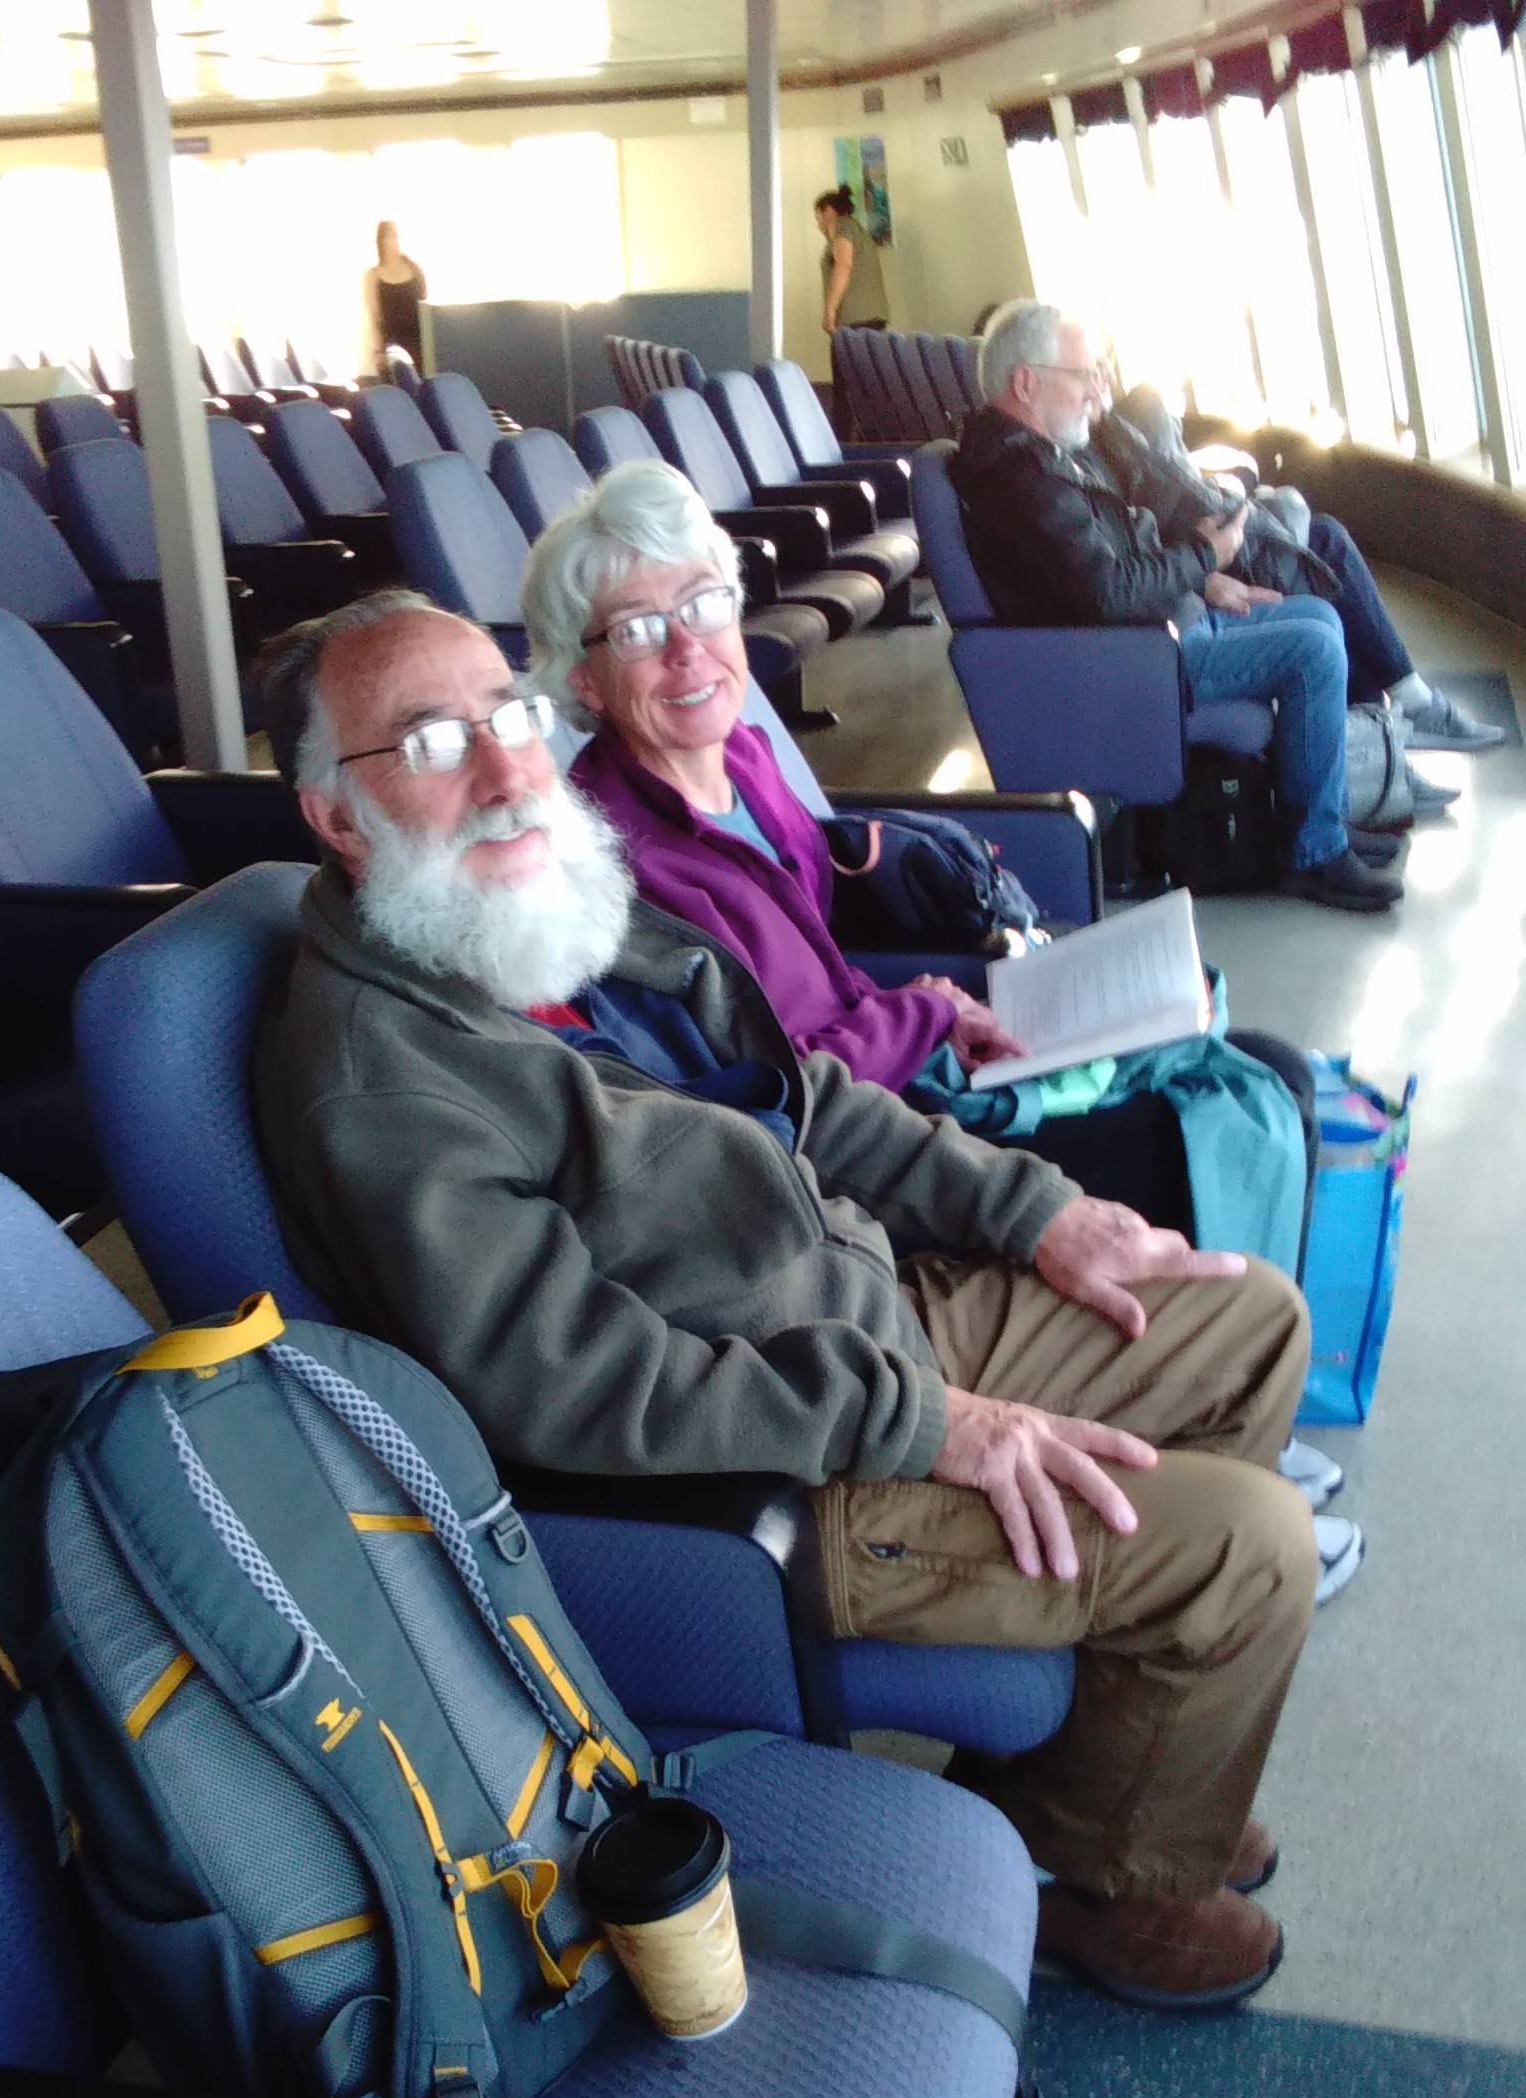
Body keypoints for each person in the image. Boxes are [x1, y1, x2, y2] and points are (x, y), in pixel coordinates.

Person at [253, 587, 1323, 2015]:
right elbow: (580, 1388)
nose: (509, 769)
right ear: (337, 815)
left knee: (1251, 1322)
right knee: (1251, 1547)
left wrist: (1037, 1211)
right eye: (434, 742)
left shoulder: (547, 914)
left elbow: (803, 1094)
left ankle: (1114, 1782)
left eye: (508, 714)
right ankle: (1107, 1881)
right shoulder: (380, 1084)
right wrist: (928, 1422)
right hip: (771, 1466)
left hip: (856, 1313)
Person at [519, 455, 1362, 1604]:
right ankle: (1216, 1440)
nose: (687, 648)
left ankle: (1235, 1410)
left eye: (704, 602)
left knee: (1268, 1066)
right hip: (865, 1149)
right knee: (1198, 1126)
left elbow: (816, 931)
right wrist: (924, 1009)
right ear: (582, 675)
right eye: (637, 628)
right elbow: (771, 1092)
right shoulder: (620, 868)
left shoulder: (744, 755)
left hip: (906, 1061)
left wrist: (894, 909)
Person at [950, 300, 1405, 915]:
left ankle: (1321, 821)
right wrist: (1205, 554)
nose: (1098, 392)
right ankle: (1315, 853)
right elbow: (1108, 593)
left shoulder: (1040, 455)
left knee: (1319, 616)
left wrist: (1207, 580)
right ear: (1026, 383)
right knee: (1315, 649)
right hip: (1130, 657)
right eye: (1084, 376)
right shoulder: (1021, 478)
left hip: (1155, 626)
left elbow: (1109, 562)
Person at [1106, 380, 1502, 756]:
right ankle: (1396, 713)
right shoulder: (1122, 430)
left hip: (1188, 571)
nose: (1099, 382)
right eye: (1087, 374)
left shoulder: (1103, 445)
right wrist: (1202, 572)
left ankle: (1382, 727)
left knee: (1323, 544)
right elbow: (1121, 574)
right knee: (1322, 560)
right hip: (1185, 592)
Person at [815, 184, 886, 437]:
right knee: (866, 385)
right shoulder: (857, 230)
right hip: (870, 318)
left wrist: (829, 311)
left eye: (818, 218)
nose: (818, 226)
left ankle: (841, 442)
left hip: (854, 321)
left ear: (829, 211)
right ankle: (871, 438)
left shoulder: (843, 227)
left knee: (845, 389)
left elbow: (843, 266)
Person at [363, 220, 427, 377]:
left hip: (419, 341)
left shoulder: (414, 268)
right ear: (379, 241)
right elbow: (374, 316)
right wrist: (378, 350)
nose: (390, 241)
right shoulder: (373, 276)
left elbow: (425, 304)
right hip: (392, 344)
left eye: (394, 236)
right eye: (386, 237)